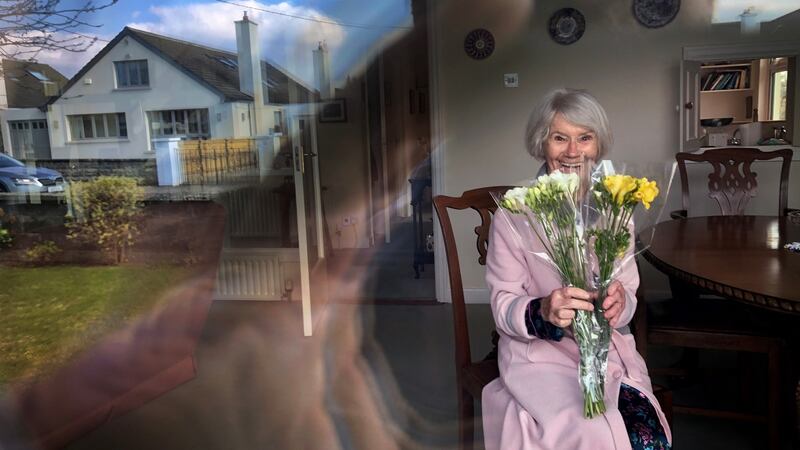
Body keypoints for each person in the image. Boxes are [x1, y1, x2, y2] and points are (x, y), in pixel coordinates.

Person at [482, 88, 672, 450]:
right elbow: (502, 302)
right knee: (587, 432)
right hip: (540, 356)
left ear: (598, 145)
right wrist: (542, 311)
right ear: (542, 143)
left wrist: (619, 304)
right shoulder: (514, 213)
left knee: (643, 435)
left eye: (584, 138)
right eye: (559, 138)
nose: (572, 152)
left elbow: (628, 295)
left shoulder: (617, 208)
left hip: (608, 354)